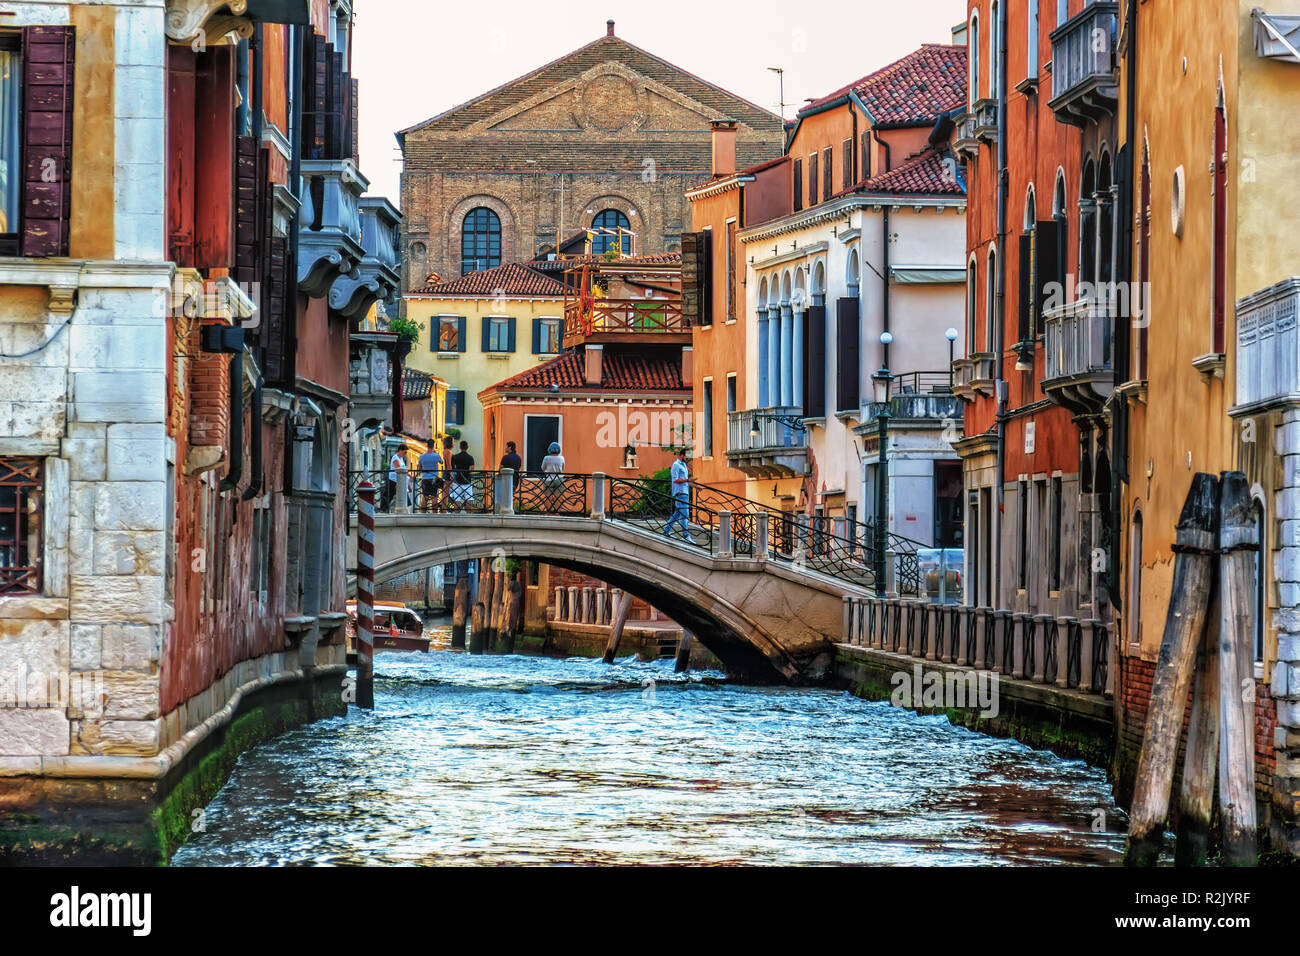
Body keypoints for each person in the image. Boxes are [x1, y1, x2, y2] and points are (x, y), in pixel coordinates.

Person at [663, 447, 690, 540]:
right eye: (687, 457)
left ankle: (666, 530)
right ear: (682, 455)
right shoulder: (676, 465)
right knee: (685, 515)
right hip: (680, 493)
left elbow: (686, 481)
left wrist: (695, 486)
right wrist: (688, 480)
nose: (688, 459)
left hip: (684, 493)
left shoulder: (684, 465)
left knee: (678, 514)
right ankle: (686, 536)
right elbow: (675, 480)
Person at [449, 440, 475, 511]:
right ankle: (468, 515)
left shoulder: (455, 457)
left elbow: (452, 468)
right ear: (467, 447)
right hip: (467, 481)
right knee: (469, 498)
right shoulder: (470, 457)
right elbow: (472, 469)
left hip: (457, 481)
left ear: (460, 447)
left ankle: (456, 516)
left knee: (457, 499)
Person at [416, 444, 444, 512]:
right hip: (434, 478)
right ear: (433, 446)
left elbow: (419, 468)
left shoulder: (422, 456)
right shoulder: (436, 455)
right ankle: (434, 514)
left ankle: (423, 514)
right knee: (434, 496)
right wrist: (436, 454)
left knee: (424, 497)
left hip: (425, 478)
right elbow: (441, 462)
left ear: (427, 446)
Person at [540, 441, 565, 511]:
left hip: (548, 479)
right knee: (558, 497)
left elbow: (543, 468)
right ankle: (557, 513)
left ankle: (548, 512)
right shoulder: (561, 458)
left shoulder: (546, 458)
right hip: (559, 479)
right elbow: (562, 468)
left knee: (548, 497)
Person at [386, 445, 407, 511]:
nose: (405, 454)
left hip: (400, 480)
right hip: (393, 479)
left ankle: (404, 509)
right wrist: (410, 476)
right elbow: (399, 469)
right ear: (400, 450)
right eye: (405, 452)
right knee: (389, 495)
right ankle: (384, 509)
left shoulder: (401, 458)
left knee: (400, 495)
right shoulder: (395, 458)